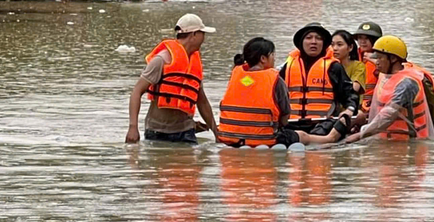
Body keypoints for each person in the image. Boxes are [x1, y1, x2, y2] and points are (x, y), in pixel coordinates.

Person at [218, 37, 345, 148]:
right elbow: (284, 116)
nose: (274, 59)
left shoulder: (236, 76)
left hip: (229, 136)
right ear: (263, 59)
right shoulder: (275, 79)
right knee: (302, 136)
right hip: (263, 138)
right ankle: (330, 138)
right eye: (273, 55)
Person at [125, 13, 218, 144]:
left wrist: (216, 132)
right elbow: (136, 91)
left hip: (186, 131)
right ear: (194, 35)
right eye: (202, 33)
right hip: (158, 132)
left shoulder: (194, 64)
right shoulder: (162, 60)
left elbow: (202, 101)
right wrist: (133, 127)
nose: (204, 38)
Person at [346, 35, 434, 143]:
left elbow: (389, 114)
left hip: (410, 144)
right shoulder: (384, 76)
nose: (376, 62)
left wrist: (359, 135)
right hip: (388, 141)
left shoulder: (407, 84)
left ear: (393, 59)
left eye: (380, 58)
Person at [280, 22, 359, 140]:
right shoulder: (288, 67)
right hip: (291, 123)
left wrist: (349, 110)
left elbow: (350, 95)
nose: (313, 42)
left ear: (324, 44)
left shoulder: (334, 67)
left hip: (324, 123)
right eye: (308, 38)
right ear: (301, 42)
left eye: (318, 38)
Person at [353, 22, 383, 112]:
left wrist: (376, 62)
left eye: (367, 38)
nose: (363, 41)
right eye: (360, 38)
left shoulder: (385, 60)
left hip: (374, 107)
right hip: (354, 105)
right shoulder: (351, 56)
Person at [331, 30, 366, 105]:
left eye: (339, 45)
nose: (334, 48)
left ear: (350, 47)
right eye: (332, 45)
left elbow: (354, 88)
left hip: (351, 109)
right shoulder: (327, 66)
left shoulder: (358, 66)